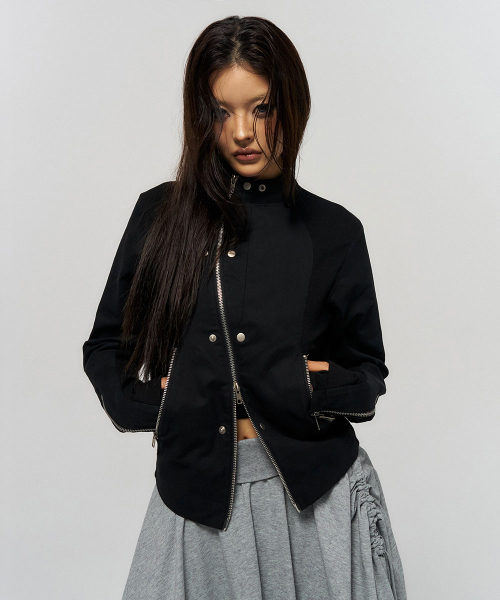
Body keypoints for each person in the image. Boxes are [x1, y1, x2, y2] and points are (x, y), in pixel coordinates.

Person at [82, 15, 407, 600]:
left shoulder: (334, 231)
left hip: (319, 497)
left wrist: (311, 388)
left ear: (292, 103)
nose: (241, 132)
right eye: (221, 111)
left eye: (262, 108)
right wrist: (161, 402)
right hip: (197, 496)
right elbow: (106, 347)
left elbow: (368, 373)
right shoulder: (159, 217)